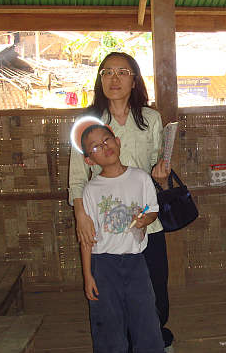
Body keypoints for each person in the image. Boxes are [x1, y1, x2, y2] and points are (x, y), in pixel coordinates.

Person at [69, 52, 174, 351]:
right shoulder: (87, 121)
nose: (114, 79)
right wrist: (81, 216)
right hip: (106, 230)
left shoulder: (150, 118)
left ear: (134, 79)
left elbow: (157, 174)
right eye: (107, 72)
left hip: (145, 225)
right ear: (100, 78)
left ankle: (155, 341)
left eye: (123, 72)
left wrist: (162, 175)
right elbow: (78, 176)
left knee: (155, 294)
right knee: (110, 299)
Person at [76, 119, 164, 353]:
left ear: (118, 142)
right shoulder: (91, 190)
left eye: (107, 140)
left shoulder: (140, 178)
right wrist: (88, 276)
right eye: (96, 147)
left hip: (136, 261)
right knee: (108, 323)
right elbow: (88, 239)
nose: (105, 147)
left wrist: (146, 219)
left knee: (145, 318)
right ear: (88, 160)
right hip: (103, 264)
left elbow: (152, 209)